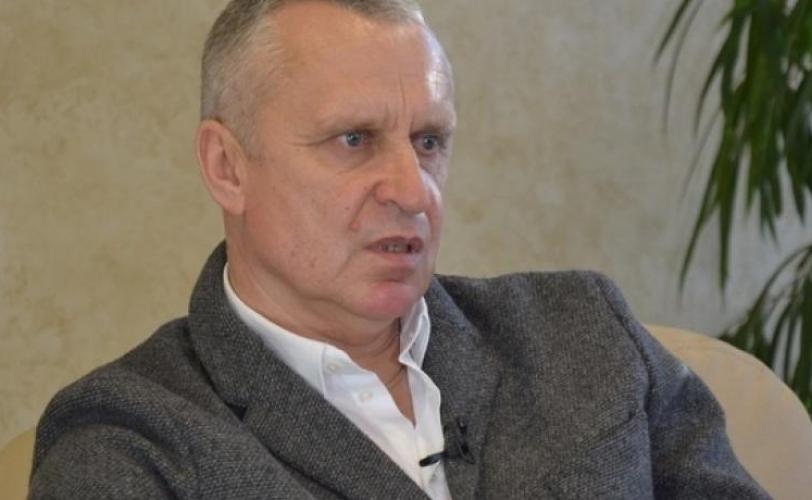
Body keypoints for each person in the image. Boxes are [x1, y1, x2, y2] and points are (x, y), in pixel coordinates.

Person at [29, 0, 768, 498]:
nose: (414, 191)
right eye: (354, 140)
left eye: (430, 141)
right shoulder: (128, 439)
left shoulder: (582, 328)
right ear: (227, 167)